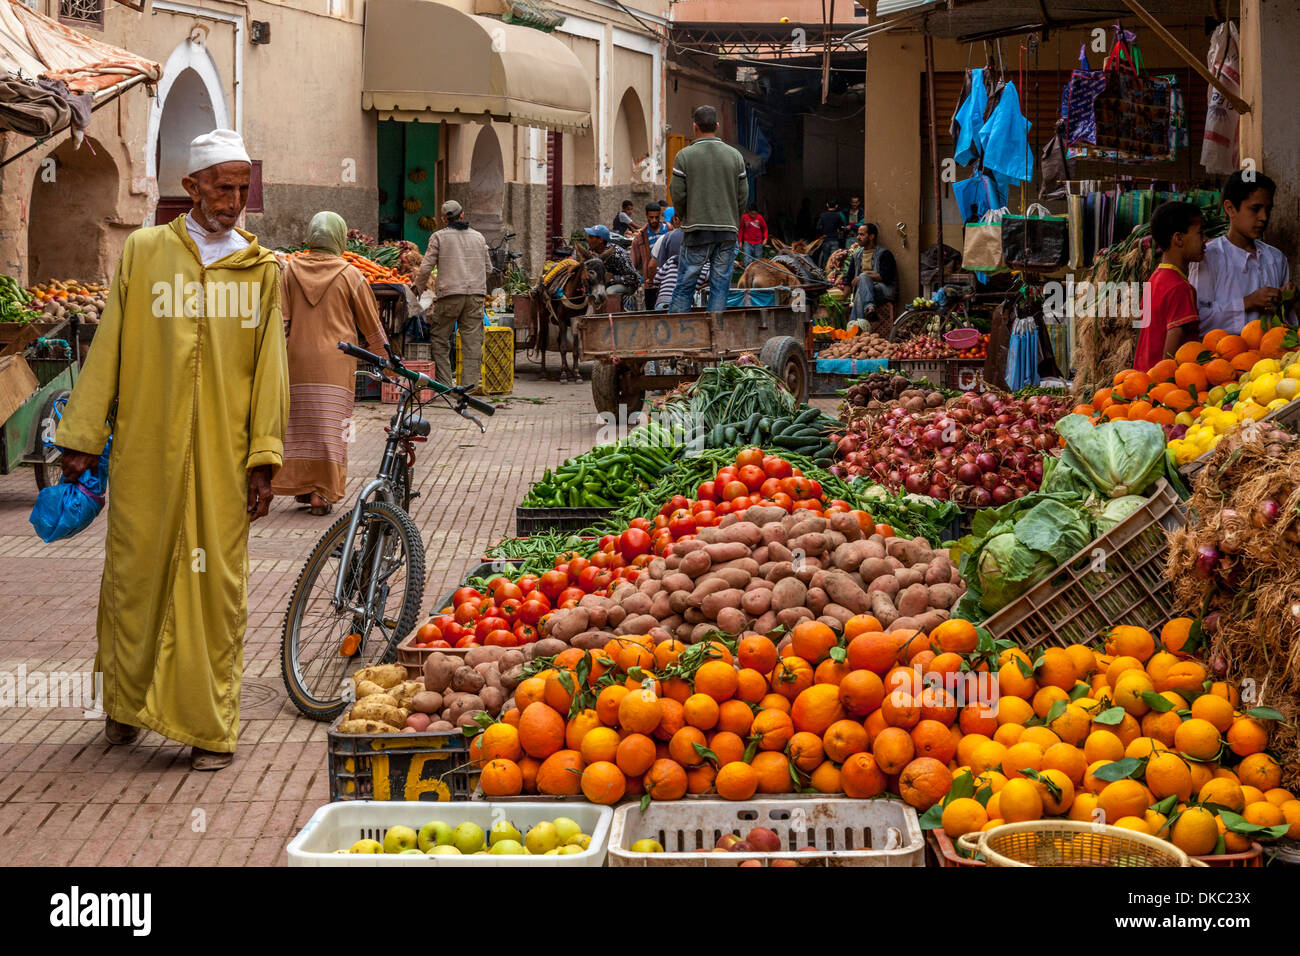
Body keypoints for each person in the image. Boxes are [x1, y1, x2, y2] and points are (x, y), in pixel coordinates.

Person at [54, 129, 288, 771]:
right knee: (135, 579)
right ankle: (125, 709)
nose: (234, 199)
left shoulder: (262, 268)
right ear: (190, 187)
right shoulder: (146, 253)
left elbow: (271, 367)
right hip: (145, 454)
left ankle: (208, 728)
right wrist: (81, 434)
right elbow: (111, 346)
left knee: (214, 590)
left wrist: (264, 458)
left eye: (243, 187)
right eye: (222, 186)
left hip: (222, 461)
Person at [272, 211, 388, 516]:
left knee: (299, 426)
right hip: (337, 364)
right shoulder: (350, 275)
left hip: (296, 360)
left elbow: (281, 321)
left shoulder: (289, 271)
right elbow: (371, 325)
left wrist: (277, 361)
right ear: (339, 237)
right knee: (334, 428)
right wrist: (386, 360)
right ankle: (321, 494)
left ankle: (304, 486)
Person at [1191, 171, 1294, 337]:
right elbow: (1197, 321)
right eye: (1255, 209)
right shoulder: (1208, 257)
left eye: (1268, 209)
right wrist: (1248, 302)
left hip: (1270, 357)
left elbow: (1286, 324)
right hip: (1221, 357)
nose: (1264, 217)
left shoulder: (1275, 258)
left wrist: (1286, 302)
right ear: (1230, 208)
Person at [668, 105, 748, 313]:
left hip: (696, 231)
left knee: (686, 284)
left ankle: (677, 334)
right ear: (717, 126)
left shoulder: (684, 156)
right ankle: (716, 333)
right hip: (726, 232)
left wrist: (683, 215)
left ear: (695, 127)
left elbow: (677, 193)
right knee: (720, 287)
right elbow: (743, 196)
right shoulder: (735, 156)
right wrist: (733, 220)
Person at [413, 200, 490, 391]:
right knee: (472, 343)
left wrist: (417, 290)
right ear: (462, 215)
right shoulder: (479, 237)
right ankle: (468, 390)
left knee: (440, 339)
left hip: (449, 296)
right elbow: (488, 267)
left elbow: (425, 269)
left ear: (442, 219)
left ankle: (445, 387)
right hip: (475, 296)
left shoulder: (438, 237)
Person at [1135, 201, 1206, 372]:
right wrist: (1166, 382)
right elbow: (1172, 352)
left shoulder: (1155, 279)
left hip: (1142, 378)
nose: (1205, 240)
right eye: (1200, 233)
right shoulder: (1180, 288)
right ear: (1178, 238)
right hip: (1161, 386)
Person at [846, 222, 898, 326]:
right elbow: (849, 279)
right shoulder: (857, 255)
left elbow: (886, 277)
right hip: (864, 293)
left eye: (862, 234)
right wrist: (842, 297)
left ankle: (853, 332)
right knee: (860, 293)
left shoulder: (884, 254)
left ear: (871, 236)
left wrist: (862, 278)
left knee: (863, 277)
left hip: (882, 292)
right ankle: (869, 308)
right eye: (858, 234)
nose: (858, 237)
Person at [584, 224, 641, 309]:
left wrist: (612, 278)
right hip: (604, 284)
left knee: (610, 292)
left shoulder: (617, 253)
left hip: (626, 284)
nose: (587, 239)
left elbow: (633, 278)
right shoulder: (591, 251)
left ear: (600, 240)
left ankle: (612, 318)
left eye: (591, 237)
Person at [630, 202, 667, 308]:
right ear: (646, 216)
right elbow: (633, 262)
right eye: (651, 217)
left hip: (667, 280)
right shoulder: (640, 237)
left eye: (656, 217)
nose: (654, 220)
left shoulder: (668, 231)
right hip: (650, 282)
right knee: (652, 310)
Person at [815, 199, 846, 268]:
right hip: (835, 240)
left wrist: (822, 234)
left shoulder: (822, 215)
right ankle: (832, 276)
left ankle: (825, 275)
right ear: (836, 206)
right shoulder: (838, 216)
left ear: (827, 205)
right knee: (834, 260)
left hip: (825, 240)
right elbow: (841, 227)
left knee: (826, 259)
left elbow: (818, 227)